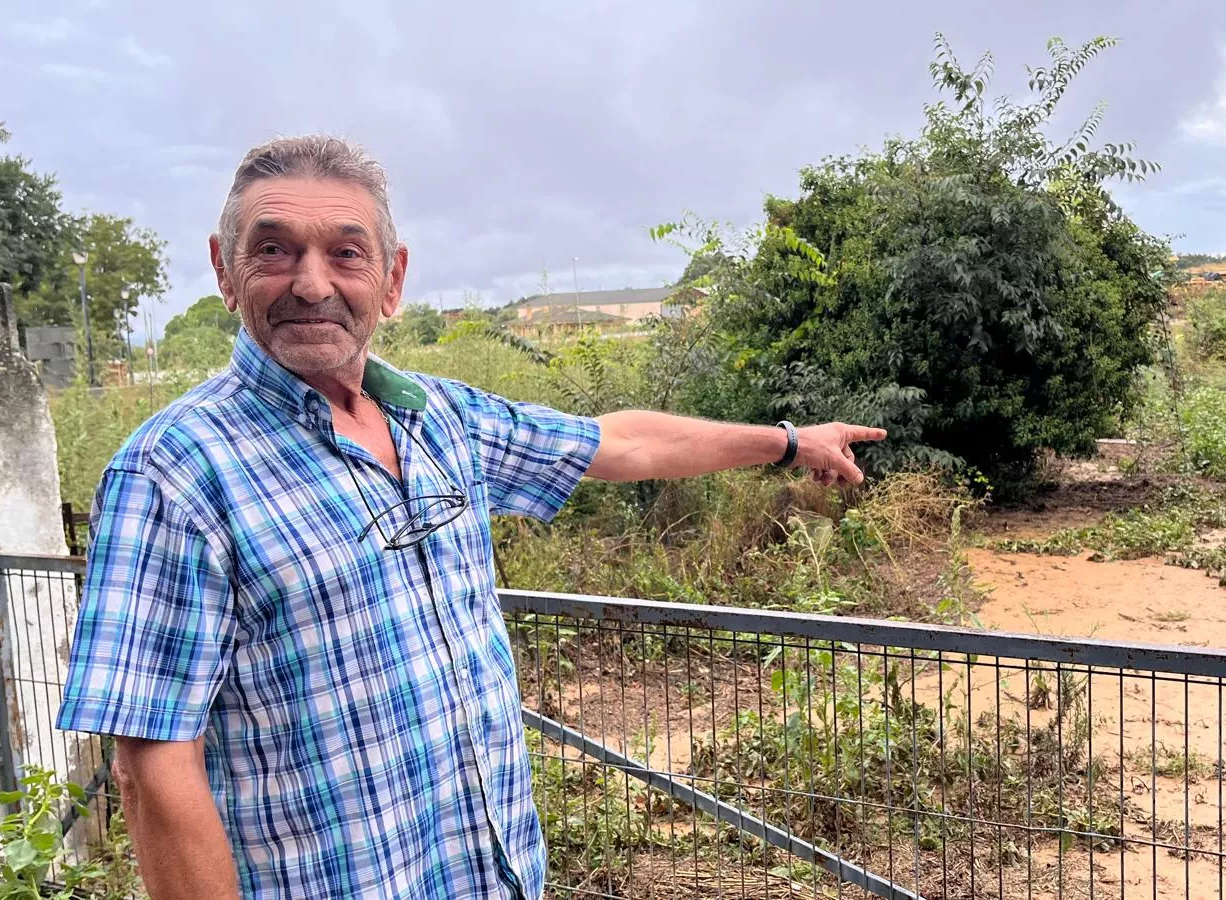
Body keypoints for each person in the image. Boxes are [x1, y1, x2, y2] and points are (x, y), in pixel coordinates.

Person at [56, 135, 885, 900]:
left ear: (392, 277)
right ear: (225, 269)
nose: (311, 282)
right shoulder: (174, 472)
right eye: (274, 249)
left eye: (345, 252)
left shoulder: (436, 418)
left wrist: (786, 441)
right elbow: (153, 766)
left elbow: (619, 443)